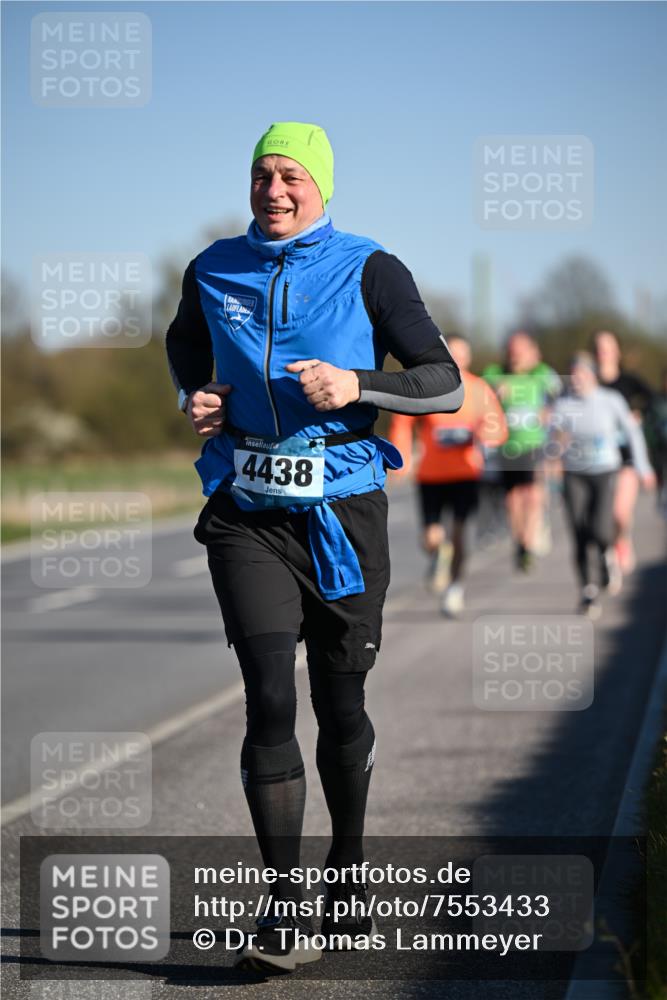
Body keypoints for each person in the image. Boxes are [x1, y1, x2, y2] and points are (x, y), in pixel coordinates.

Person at [165, 122, 463, 973]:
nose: (274, 190)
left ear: (321, 185)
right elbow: (185, 345)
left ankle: (349, 869)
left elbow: (441, 382)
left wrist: (357, 385)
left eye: (291, 175)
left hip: (342, 516)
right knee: (267, 698)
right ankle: (285, 906)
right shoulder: (212, 267)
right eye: (262, 175)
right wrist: (200, 395)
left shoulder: (371, 267)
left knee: (341, 707)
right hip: (246, 513)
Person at [388, 334, 507, 616]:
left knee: (460, 535)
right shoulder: (428, 386)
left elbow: (498, 427)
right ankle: (439, 555)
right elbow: (403, 421)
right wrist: (401, 455)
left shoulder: (479, 388)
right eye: (451, 353)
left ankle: (455, 588)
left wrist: (482, 436)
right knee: (431, 537)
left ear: (468, 358)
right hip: (431, 475)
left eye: (462, 354)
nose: (457, 359)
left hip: (466, 472)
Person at [549, 353, 654, 619]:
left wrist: (643, 467)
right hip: (574, 473)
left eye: (582, 373)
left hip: (605, 470)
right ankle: (588, 590)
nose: (577, 379)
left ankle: (607, 554)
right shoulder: (564, 404)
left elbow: (632, 433)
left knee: (600, 528)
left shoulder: (610, 401)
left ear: (593, 375)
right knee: (578, 531)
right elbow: (553, 439)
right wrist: (553, 452)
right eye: (573, 374)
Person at [483, 332, 562, 572]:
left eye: (521, 350)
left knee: (534, 494)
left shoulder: (542, 374)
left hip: (534, 444)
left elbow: (561, 399)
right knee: (513, 499)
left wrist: (549, 412)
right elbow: (478, 397)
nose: (515, 354)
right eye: (512, 349)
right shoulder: (495, 374)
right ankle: (521, 542)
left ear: (532, 351)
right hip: (507, 445)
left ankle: (529, 539)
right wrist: (495, 395)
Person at [591, 330, 654, 573]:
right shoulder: (589, 381)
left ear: (617, 350)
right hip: (596, 457)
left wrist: (639, 414)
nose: (602, 351)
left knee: (620, 512)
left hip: (625, 454)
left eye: (607, 346)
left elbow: (652, 400)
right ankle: (608, 549)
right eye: (598, 346)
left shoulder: (630, 381)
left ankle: (622, 541)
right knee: (601, 514)